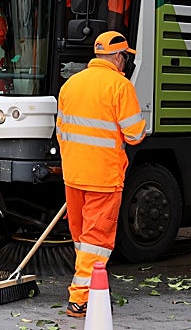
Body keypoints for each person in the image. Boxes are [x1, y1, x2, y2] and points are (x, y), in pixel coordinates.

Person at [55, 31, 146, 318]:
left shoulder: (71, 84)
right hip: (104, 178)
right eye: (125, 57)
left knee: (82, 239)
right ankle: (80, 299)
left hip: (74, 175)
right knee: (96, 241)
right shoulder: (120, 86)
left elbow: (61, 133)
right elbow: (134, 135)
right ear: (118, 57)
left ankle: (91, 286)